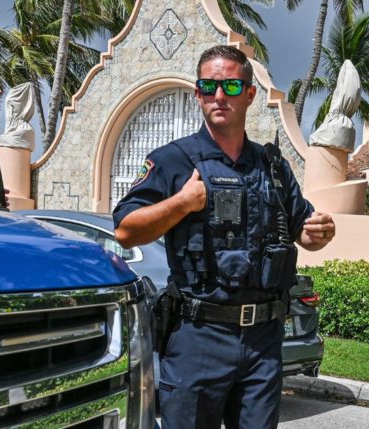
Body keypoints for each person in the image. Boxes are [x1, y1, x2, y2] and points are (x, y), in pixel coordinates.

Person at [113, 45, 335, 428]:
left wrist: (319, 232)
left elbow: (305, 231)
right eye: (209, 86)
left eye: (231, 87)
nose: (219, 96)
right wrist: (181, 203)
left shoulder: (273, 167)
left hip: (263, 341)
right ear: (198, 93)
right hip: (200, 337)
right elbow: (126, 230)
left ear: (249, 94)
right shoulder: (174, 160)